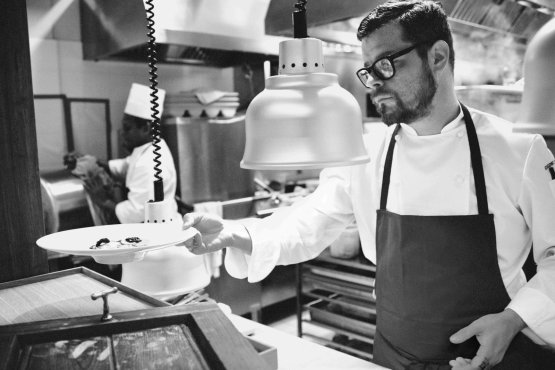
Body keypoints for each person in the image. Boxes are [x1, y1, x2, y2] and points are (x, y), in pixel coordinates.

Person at [181, 1, 555, 369]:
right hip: (394, 356)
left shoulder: (519, 150)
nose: (374, 81)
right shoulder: (369, 149)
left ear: (438, 56)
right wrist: (237, 233)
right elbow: (314, 216)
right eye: (368, 71)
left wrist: (514, 320)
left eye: (386, 64)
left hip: (494, 357)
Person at [83, 83, 212, 300]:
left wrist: (102, 201)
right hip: (158, 238)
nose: (123, 133)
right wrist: (98, 163)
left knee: (159, 297)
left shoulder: (150, 161)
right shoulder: (147, 150)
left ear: (147, 128)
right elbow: (127, 165)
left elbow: (135, 211)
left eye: (128, 127)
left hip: (158, 242)